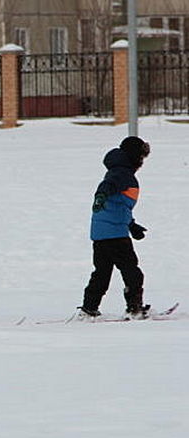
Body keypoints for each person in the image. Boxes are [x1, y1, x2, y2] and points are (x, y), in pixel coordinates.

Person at [78, 136, 151, 320]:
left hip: (101, 234)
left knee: (101, 274)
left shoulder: (118, 171)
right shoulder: (122, 174)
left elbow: (119, 204)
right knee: (132, 271)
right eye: (141, 157)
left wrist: (132, 225)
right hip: (115, 236)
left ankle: (89, 309)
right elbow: (106, 187)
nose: (142, 161)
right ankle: (135, 308)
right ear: (134, 156)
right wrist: (101, 195)